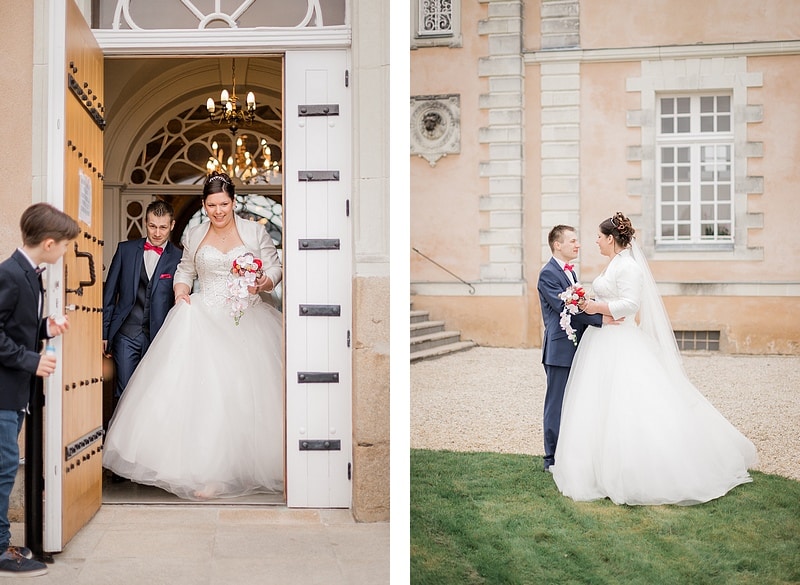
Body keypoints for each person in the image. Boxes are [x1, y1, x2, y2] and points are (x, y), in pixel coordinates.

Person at [551, 212, 758, 505]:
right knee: (598, 403)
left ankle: (638, 469)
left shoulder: (629, 268)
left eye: (599, 236)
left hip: (620, 341)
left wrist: (594, 305)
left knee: (629, 403)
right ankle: (596, 467)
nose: (595, 241)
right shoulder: (614, 264)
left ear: (611, 239)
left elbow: (631, 304)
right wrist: (588, 304)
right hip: (602, 340)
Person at [103, 172, 284, 500]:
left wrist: (261, 283)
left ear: (233, 202)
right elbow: (185, 270)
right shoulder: (196, 233)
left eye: (224, 204)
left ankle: (242, 466)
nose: (218, 211)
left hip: (247, 318)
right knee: (207, 395)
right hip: (204, 315)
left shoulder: (254, 232)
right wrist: (181, 291)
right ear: (204, 204)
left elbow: (275, 268)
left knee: (243, 394)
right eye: (212, 205)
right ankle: (209, 472)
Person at [0, 203, 79, 576]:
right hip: (3, 392)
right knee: (2, 469)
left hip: (15, 393)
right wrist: (31, 361)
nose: (65, 251)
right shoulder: (11, 275)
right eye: (64, 245)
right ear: (49, 243)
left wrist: (47, 327)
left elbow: (16, 325)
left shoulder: (30, 273)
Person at [537, 225, 607, 472]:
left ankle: (570, 452)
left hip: (577, 347)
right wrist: (602, 318)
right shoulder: (548, 274)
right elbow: (567, 309)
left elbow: (579, 303)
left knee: (575, 402)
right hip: (559, 351)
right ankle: (551, 458)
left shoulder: (570, 273)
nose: (578, 245)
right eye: (573, 241)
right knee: (556, 403)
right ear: (558, 245)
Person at [102, 200, 182, 401]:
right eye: (152, 226)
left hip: (160, 337)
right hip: (126, 335)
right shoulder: (125, 250)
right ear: (145, 223)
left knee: (154, 394)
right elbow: (109, 295)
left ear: (171, 225)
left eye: (163, 227)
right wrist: (104, 333)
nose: (157, 233)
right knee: (125, 392)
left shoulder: (180, 258)